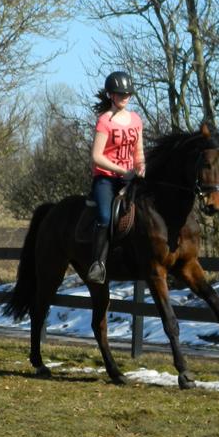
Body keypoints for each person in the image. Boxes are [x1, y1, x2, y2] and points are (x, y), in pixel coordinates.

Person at [87, 70, 145, 283]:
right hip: (106, 179)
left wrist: (140, 168)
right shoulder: (105, 121)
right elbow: (96, 156)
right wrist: (122, 171)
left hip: (131, 177)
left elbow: (138, 151)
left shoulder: (136, 120)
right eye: (120, 94)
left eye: (127, 94)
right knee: (104, 216)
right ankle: (98, 264)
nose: (124, 97)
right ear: (111, 95)